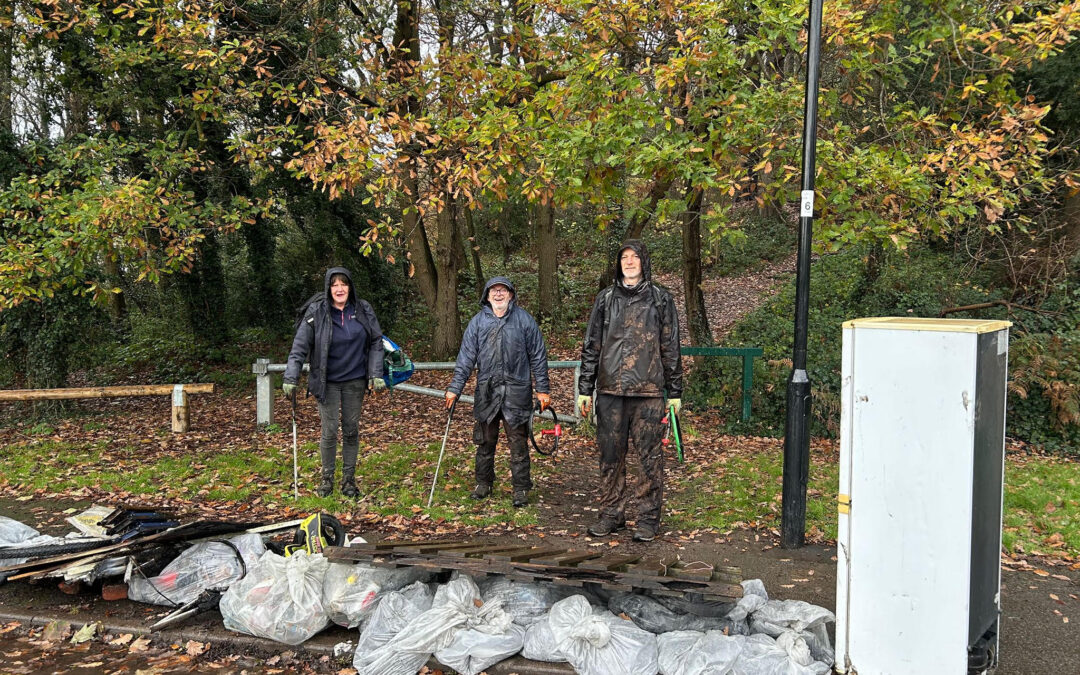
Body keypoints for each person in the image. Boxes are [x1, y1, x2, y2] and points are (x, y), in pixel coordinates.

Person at [576, 240, 683, 542]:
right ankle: (612, 514)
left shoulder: (661, 299)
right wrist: (585, 388)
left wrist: (675, 391)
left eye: (635, 257)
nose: (629, 262)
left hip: (649, 393)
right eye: (624, 257)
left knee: (649, 459)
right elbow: (592, 345)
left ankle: (648, 519)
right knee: (610, 457)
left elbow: (671, 346)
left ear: (644, 262)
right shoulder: (606, 299)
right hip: (610, 390)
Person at [446, 276, 551, 508]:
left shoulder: (524, 320)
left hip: (517, 391)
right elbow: (465, 358)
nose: (499, 294)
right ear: (487, 296)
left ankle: (521, 488)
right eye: (494, 290)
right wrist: (454, 388)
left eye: (503, 290)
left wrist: (543, 389)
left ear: (511, 295)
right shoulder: (477, 323)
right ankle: (483, 484)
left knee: (518, 443)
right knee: (485, 441)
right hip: (487, 392)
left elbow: (538, 356)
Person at [283, 267, 386, 498]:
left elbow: (376, 341)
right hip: (326, 382)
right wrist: (291, 377)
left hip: (355, 381)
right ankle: (327, 479)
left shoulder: (363, 309)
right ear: (328, 288)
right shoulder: (317, 311)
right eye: (334, 284)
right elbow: (299, 346)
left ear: (350, 287)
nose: (339, 289)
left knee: (351, 430)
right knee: (329, 431)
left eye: (343, 284)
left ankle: (349, 480)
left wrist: (375, 373)